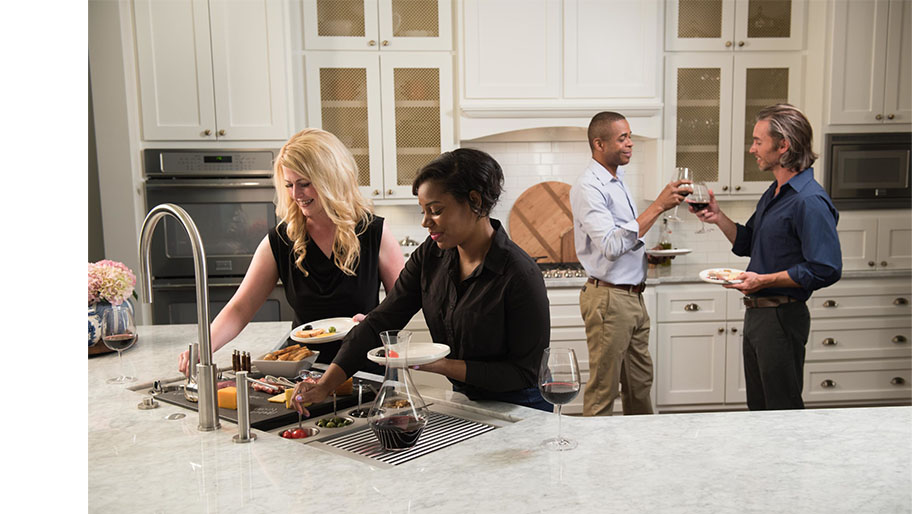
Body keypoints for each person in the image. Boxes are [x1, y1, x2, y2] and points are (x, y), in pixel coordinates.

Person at [291, 148, 554, 413]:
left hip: (524, 406)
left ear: (475, 201)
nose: (426, 222)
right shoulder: (431, 256)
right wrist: (325, 384)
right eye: (423, 211)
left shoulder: (520, 274)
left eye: (436, 210)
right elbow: (380, 322)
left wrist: (441, 365)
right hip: (467, 399)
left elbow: (525, 373)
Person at [178, 128, 405, 373]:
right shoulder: (281, 240)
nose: (296, 195)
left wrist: (373, 324)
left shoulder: (374, 232)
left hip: (364, 369)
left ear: (331, 178)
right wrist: (204, 347)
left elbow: (403, 302)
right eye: (289, 185)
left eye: (304, 184)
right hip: (304, 371)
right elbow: (240, 308)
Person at [691, 104, 842, 410]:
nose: (752, 148)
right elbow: (750, 243)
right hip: (759, 315)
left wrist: (765, 280)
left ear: (783, 145)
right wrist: (719, 217)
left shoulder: (808, 200)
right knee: (760, 411)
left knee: (781, 413)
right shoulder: (776, 191)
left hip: (782, 316)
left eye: (759, 141)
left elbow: (826, 268)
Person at [570, 111, 688, 416]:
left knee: (639, 384)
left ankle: (640, 457)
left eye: (630, 137)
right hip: (609, 298)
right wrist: (659, 205)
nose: (630, 144)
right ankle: (596, 461)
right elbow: (610, 246)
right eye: (623, 138)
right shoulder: (588, 186)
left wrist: (645, 249)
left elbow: (627, 236)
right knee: (603, 390)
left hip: (632, 296)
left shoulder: (616, 180)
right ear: (599, 143)